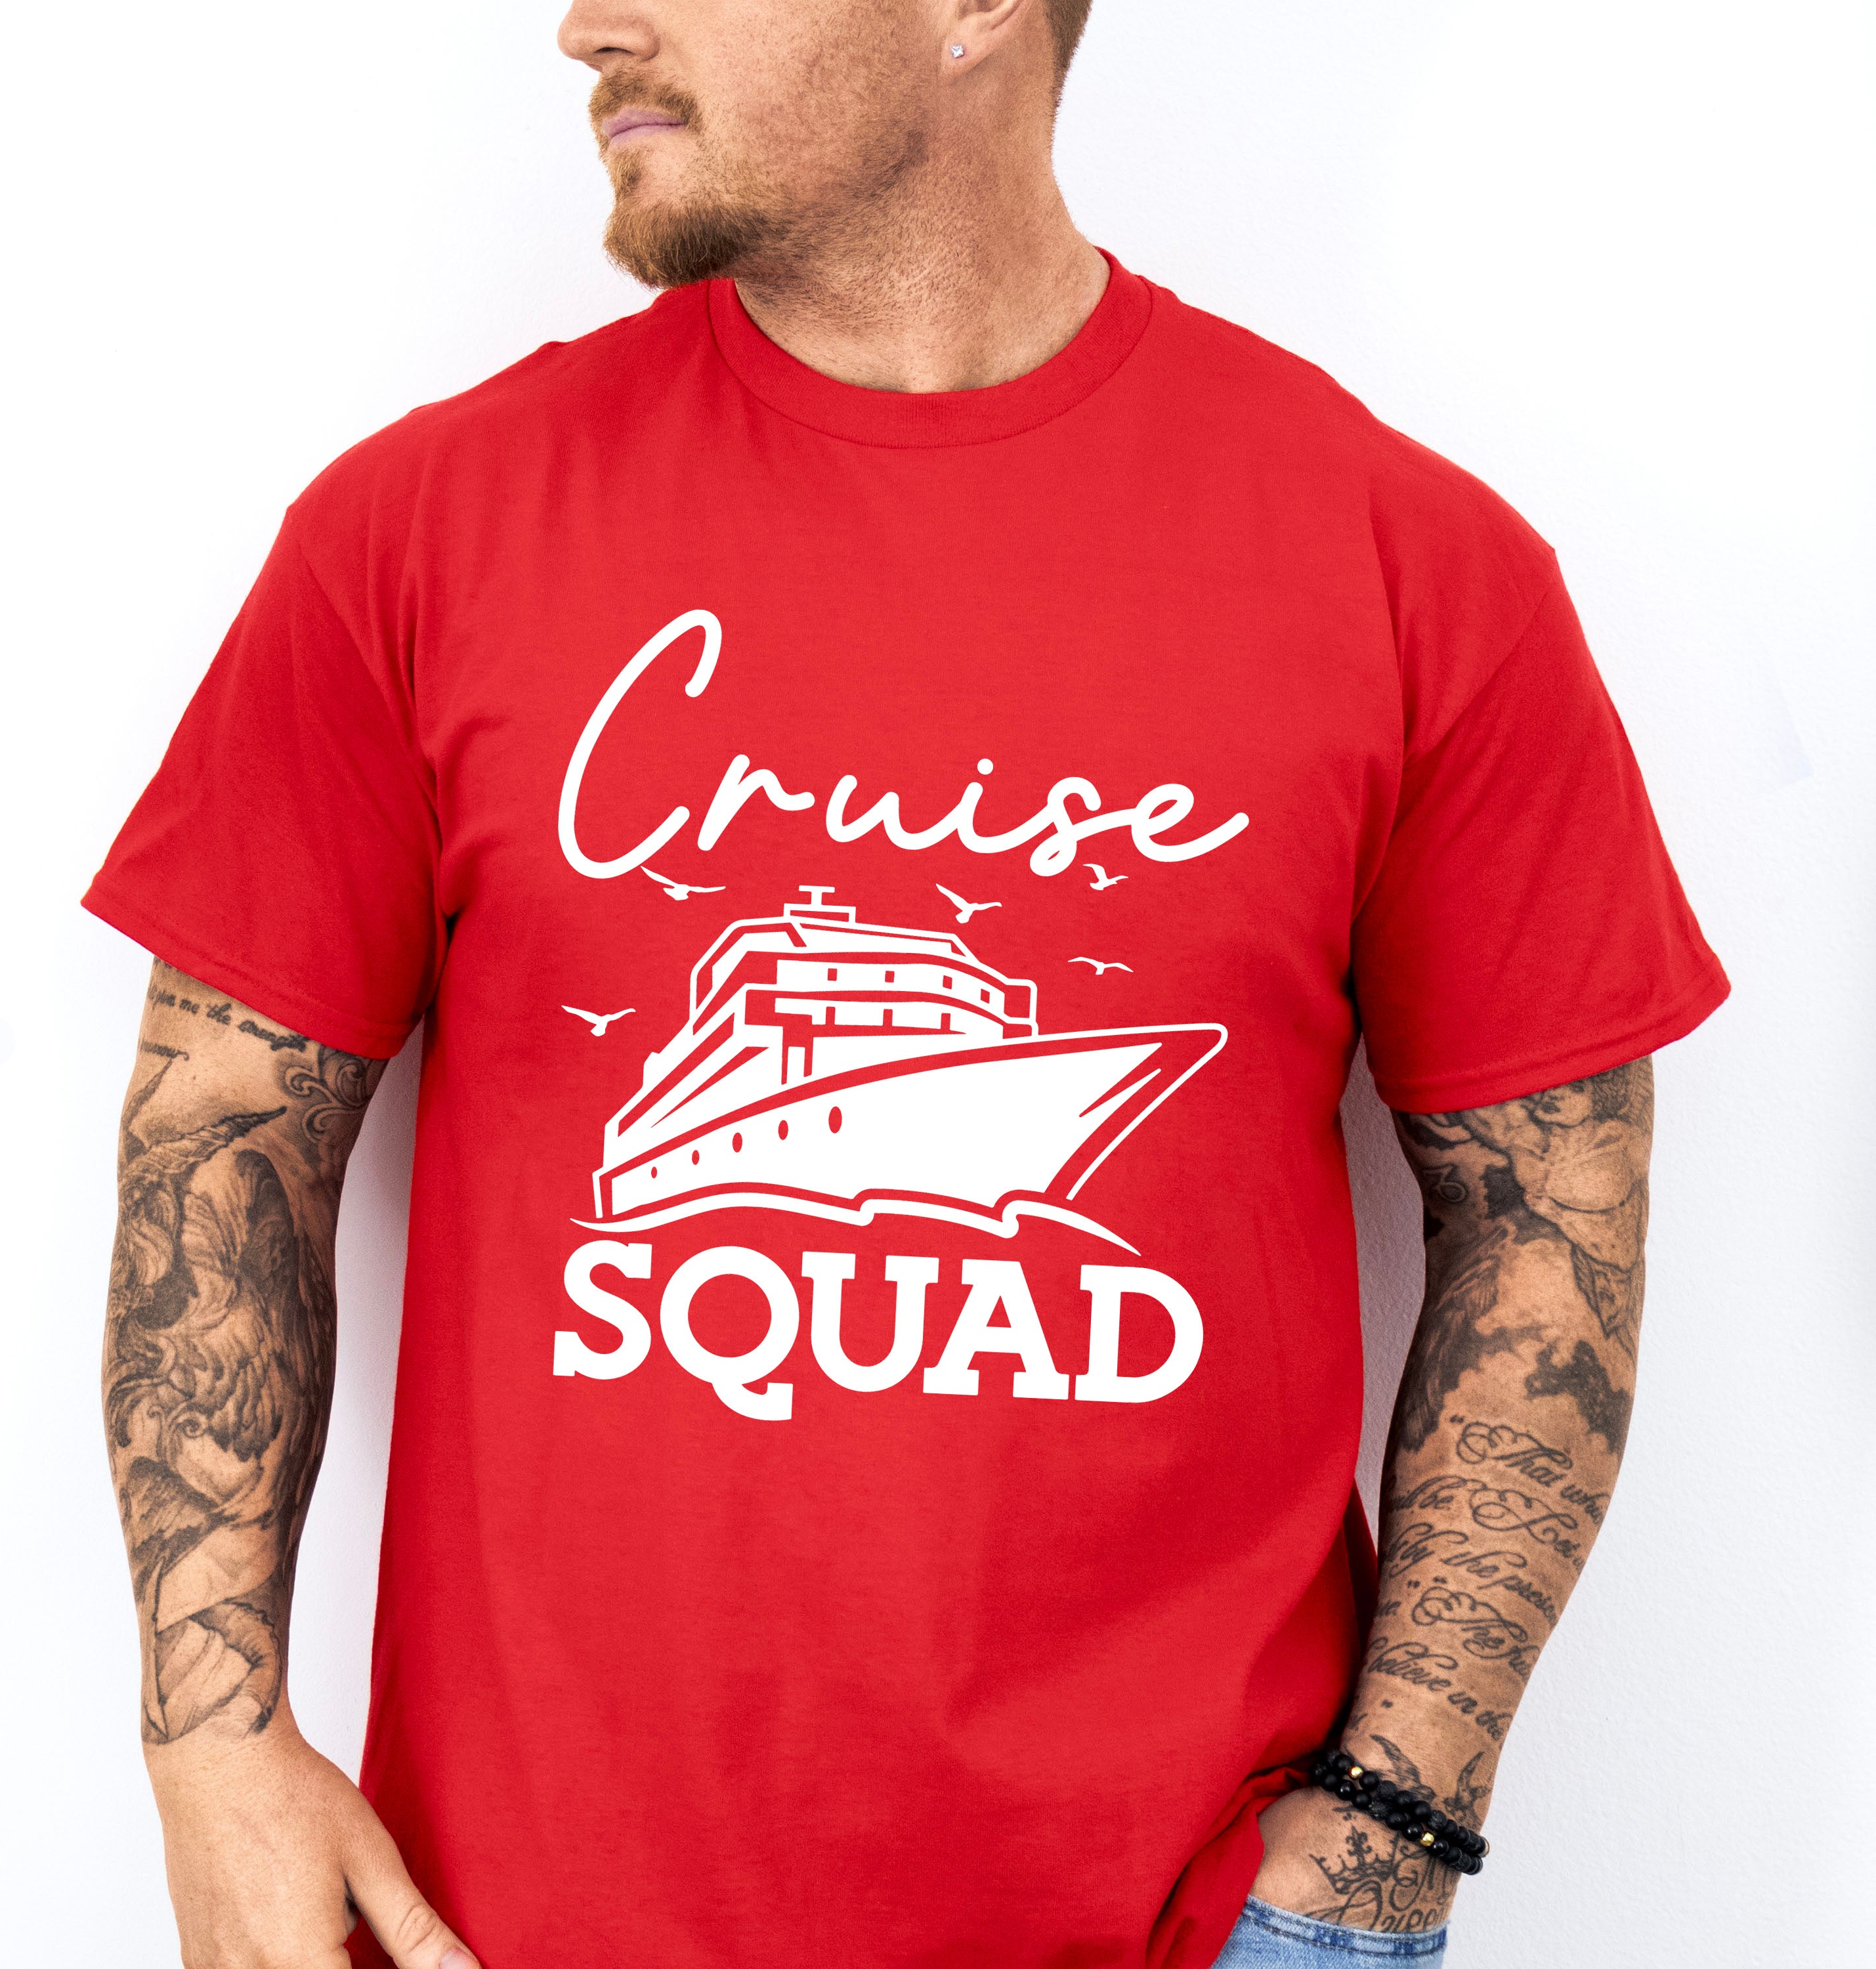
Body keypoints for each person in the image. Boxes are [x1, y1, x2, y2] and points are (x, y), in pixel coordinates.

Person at [85, 2, 1727, 1964]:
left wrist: (1393, 1826)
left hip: (1201, 1925)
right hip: (507, 1925)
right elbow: (222, 1138)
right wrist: (212, 1751)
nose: (589, 26)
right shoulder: (419, 533)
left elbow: (1553, 1210)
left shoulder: (1410, 564)